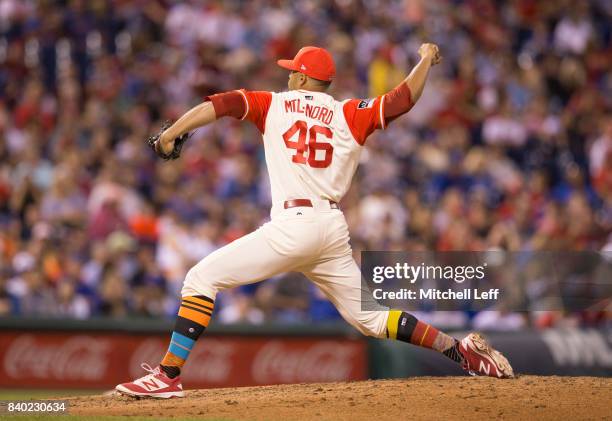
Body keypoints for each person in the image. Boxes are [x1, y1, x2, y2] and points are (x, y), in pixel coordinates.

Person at [116, 44, 513, 398]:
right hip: (330, 228)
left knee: (200, 279)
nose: (287, 74)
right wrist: (425, 58)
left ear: (303, 77)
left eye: (292, 69)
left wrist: (171, 134)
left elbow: (219, 104)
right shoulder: (348, 113)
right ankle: (460, 351)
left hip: (294, 224)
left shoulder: (273, 103)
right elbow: (403, 99)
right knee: (370, 318)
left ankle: (167, 376)